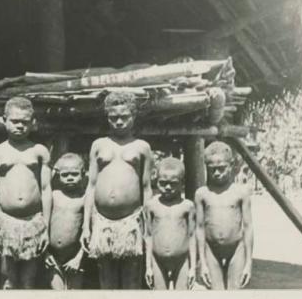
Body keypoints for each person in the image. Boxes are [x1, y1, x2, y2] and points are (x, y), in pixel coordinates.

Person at [80, 91, 153, 289]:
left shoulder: (142, 147)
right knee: (106, 279)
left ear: (133, 116)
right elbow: (91, 186)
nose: (119, 122)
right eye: (113, 118)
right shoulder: (99, 145)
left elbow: (147, 189)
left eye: (124, 117)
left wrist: (148, 228)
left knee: (131, 279)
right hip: (102, 222)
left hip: (131, 222)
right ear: (107, 118)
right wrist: (86, 226)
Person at [0, 96, 52, 289]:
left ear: (33, 123)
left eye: (25, 122)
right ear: (4, 120)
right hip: (5, 221)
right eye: (15, 121)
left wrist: (45, 227)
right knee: (7, 279)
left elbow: (46, 190)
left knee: (29, 280)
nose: (20, 126)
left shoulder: (39, 151)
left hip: (33, 222)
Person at [195, 141, 253, 290]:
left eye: (221, 168)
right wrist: (203, 262)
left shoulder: (241, 192)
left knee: (235, 290)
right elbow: (200, 228)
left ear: (231, 165)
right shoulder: (202, 194)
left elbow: (248, 227)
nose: (217, 173)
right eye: (212, 169)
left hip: (236, 249)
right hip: (211, 250)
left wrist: (248, 263)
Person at [144, 157, 196, 290]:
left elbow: (191, 236)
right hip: (157, 261)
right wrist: (148, 266)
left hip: (182, 261)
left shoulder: (187, 206)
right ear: (156, 180)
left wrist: (193, 268)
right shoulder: (151, 205)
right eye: (163, 183)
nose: (167, 187)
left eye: (173, 183)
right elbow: (148, 236)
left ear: (182, 183)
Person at [45, 153, 87, 290]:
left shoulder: (84, 199)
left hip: (75, 258)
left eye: (74, 174)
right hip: (52, 257)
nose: (69, 178)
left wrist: (79, 258)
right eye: (65, 175)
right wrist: (45, 253)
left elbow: (89, 231)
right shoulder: (53, 196)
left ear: (83, 173)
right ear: (57, 175)